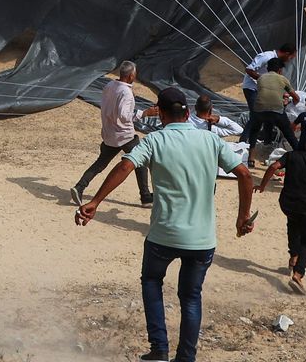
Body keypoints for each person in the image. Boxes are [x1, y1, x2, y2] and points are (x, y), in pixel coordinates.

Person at [75, 88, 253, 362]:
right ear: (188, 112)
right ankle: (186, 357)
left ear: (160, 112)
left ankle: (159, 349)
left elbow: (125, 167)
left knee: (151, 281)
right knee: (191, 297)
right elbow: (244, 174)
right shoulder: (210, 140)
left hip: (163, 235)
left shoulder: (154, 140)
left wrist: (95, 202)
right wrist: (242, 216)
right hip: (202, 239)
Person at [71, 61, 158, 207]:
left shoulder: (109, 85)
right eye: (134, 73)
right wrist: (144, 113)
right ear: (131, 75)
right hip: (124, 135)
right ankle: (145, 196)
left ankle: (79, 187)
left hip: (109, 133)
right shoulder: (125, 93)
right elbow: (124, 116)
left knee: (100, 163)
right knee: (140, 160)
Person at [253, 135, 306, 295]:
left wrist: (262, 185)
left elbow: (274, 166)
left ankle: (294, 256)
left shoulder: (292, 155)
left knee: (293, 224)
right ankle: (298, 274)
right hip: (305, 206)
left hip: (286, 203)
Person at [246, 58, 300, 167]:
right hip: (276, 111)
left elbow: (267, 91)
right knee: (289, 134)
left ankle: (251, 158)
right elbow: (296, 97)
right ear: (280, 70)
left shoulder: (261, 78)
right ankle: (300, 156)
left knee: (254, 130)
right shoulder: (283, 79)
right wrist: (289, 101)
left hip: (259, 110)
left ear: (267, 68)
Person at [239, 43, 297, 142]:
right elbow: (249, 69)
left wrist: (284, 94)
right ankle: (243, 141)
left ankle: (267, 140)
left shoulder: (277, 63)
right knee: (255, 116)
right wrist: (263, 79)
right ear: (287, 54)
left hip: (262, 90)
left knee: (268, 114)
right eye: (291, 57)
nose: (289, 60)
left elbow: (277, 80)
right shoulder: (266, 57)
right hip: (252, 88)